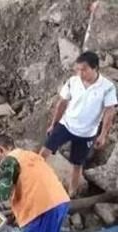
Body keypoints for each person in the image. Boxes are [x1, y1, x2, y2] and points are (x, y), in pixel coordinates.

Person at [40, 51, 117, 197]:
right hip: (66, 124)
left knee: (77, 164)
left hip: (87, 133)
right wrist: (53, 123)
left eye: (84, 69)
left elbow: (109, 112)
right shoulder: (73, 81)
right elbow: (62, 103)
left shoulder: (107, 88)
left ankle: (71, 194)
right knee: (44, 152)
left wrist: (103, 135)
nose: (80, 73)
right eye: (78, 69)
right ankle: (34, 179)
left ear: (95, 68)